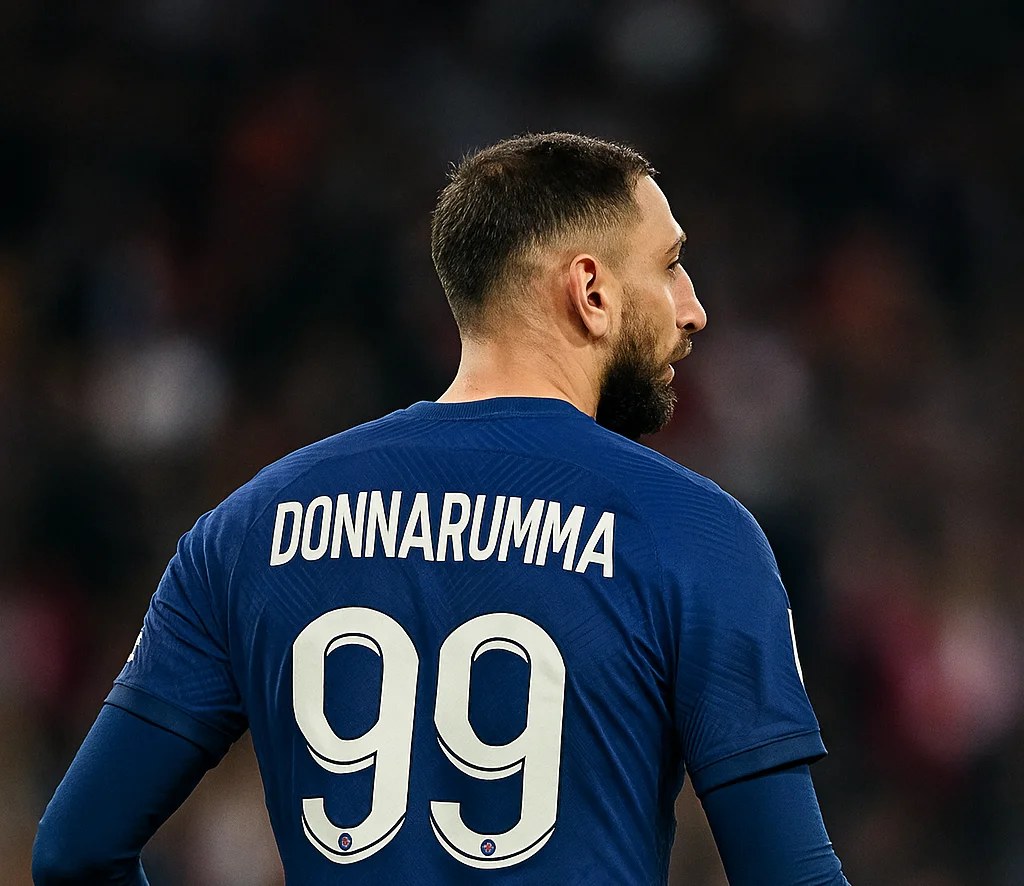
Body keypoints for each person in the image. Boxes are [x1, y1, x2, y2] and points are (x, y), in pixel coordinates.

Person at [33, 132, 849, 885]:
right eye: (670, 265)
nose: (693, 307)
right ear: (591, 291)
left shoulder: (244, 529)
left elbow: (76, 853)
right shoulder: (694, 534)